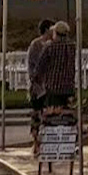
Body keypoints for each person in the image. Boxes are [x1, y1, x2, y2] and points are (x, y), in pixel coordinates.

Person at [27, 20, 56, 148]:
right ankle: (36, 141)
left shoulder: (54, 45)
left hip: (50, 85)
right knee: (36, 115)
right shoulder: (36, 45)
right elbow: (32, 66)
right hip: (38, 86)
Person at [35, 22, 76, 107]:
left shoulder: (49, 47)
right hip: (69, 87)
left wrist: (36, 78)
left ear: (56, 33)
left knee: (53, 113)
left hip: (53, 87)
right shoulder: (72, 46)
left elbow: (40, 65)